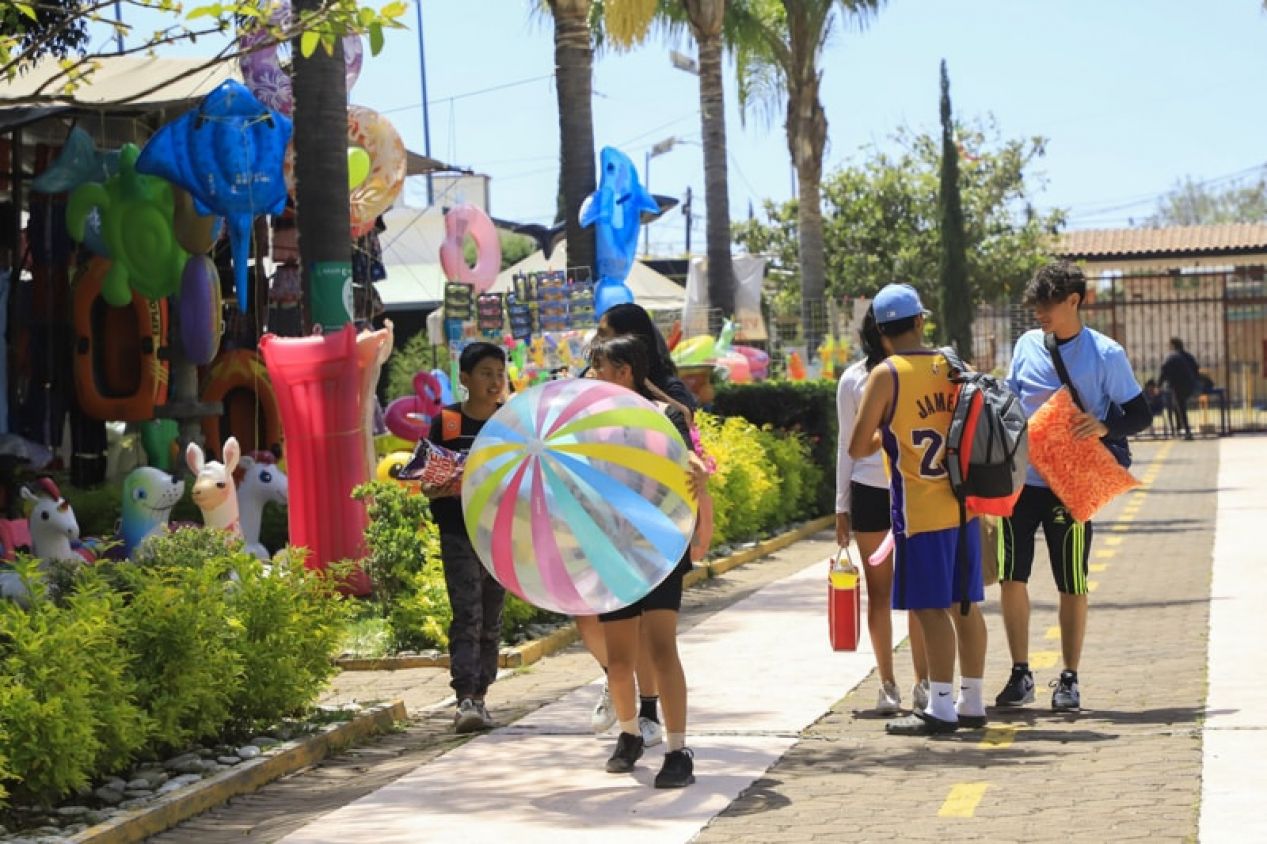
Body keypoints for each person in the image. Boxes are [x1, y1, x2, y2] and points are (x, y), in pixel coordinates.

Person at [995, 261, 1150, 712]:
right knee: (1010, 575)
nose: (1039, 313)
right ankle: (1020, 673)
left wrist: (1104, 426)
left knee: (1072, 581)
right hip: (1019, 482)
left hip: (1071, 485)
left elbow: (1140, 414)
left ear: (1074, 301)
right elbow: (1008, 401)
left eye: (1047, 304)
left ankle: (1069, 679)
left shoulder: (1105, 354)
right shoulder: (1026, 345)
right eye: (1035, 305)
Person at [848, 283, 989, 736]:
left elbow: (857, 444)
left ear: (881, 333)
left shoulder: (887, 374)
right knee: (964, 605)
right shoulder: (953, 364)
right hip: (964, 503)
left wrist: (888, 433)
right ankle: (972, 699)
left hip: (920, 507)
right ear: (920, 322)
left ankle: (941, 706)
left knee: (931, 610)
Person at [580, 303, 698, 745]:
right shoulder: (590, 413)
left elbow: (685, 462)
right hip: (611, 541)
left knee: (661, 642)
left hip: (659, 540)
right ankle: (628, 721)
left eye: (601, 359)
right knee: (617, 647)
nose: (592, 367)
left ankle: (672, 742)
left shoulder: (666, 408)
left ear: (624, 369)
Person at [836, 305, 928, 714]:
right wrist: (841, 506)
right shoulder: (854, 378)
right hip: (871, 490)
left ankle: (925, 683)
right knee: (880, 593)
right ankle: (888, 683)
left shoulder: (918, 369)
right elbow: (846, 446)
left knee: (920, 593)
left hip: (913, 489)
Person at [423, 342, 509, 734]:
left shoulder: (511, 420)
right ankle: (465, 699)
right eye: (486, 373)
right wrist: (440, 485)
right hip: (458, 532)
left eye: (499, 373)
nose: (494, 381)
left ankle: (483, 694)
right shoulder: (449, 423)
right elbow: (427, 478)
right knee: (467, 613)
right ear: (465, 379)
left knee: (491, 615)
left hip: (500, 533)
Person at [1158, 337, 1200, 441]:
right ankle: (1179, 428)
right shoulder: (1188, 356)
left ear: (1173, 345)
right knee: (1178, 405)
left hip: (1178, 385)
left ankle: (1186, 431)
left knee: (1180, 407)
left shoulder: (1171, 356)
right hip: (1190, 385)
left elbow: (1164, 370)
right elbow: (1196, 368)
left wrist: (1159, 385)